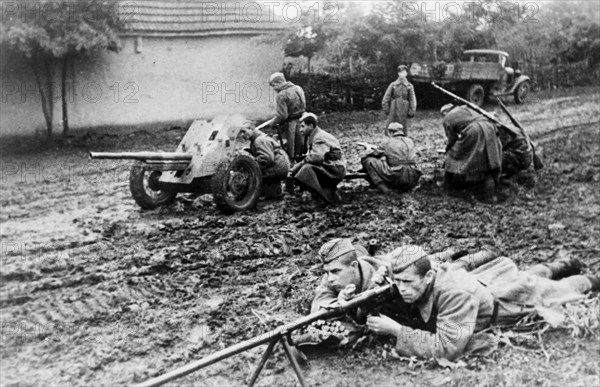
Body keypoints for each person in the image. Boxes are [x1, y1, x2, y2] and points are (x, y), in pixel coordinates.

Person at [366, 246, 597, 361]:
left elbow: (447, 348)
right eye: (398, 282)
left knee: (557, 290)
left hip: (506, 302)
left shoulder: (453, 294)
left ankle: (588, 276)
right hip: (489, 281)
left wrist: (398, 331)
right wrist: (375, 285)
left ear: (427, 277)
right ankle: (564, 263)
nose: (401, 288)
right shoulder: (419, 277)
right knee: (528, 276)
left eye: (406, 282)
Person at [440, 104, 502, 197]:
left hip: (474, 130)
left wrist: (449, 150)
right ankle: (491, 194)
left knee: (453, 154)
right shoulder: (466, 108)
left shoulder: (447, 118)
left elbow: (452, 139)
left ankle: (447, 185)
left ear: (445, 113)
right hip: (490, 127)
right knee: (489, 159)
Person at [290, 113, 346, 205]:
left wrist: (296, 167)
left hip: (336, 168)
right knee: (305, 165)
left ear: (311, 126)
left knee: (306, 168)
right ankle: (323, 191)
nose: (300, 130)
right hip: (331, 165)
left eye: (303, 127)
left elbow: (316, 158)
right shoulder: (315, 135)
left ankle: (323, 196)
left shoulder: (318, 137)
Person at [360, 122, 422, 194]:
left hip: (398, 175)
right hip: (413, 175)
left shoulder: (387, 142)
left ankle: (384, 188)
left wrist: (367, 149)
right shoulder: (410, 141)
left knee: (367, 160)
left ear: (390, 132)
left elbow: (373, 154)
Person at [238, 126, 290, 198]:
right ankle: (273, 191)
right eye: (240, 133)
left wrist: (251, 165)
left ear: (251, 129)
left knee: (250, 178)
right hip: (279, 165)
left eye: (244, 131)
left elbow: (267, 159)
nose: (242, 135)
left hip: (277, 167)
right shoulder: (258, 138)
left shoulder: (259, 140)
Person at [266, 72, 306, 162]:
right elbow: (304, 106)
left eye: (274, 85)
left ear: (280, 82)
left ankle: (290, 165)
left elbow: (282, 116)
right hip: (302, 121)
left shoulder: (281, 95)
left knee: (289, 148)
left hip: (290, 125)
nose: (274, 89)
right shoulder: (298, 88)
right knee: (301, 146)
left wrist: (272, 123)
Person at [382, 65, 417, 136]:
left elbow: (412, 99)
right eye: (400, 72)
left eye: (404, 72)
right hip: (394, 108)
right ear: (398, 73)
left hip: (404, 108)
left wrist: (411, 110)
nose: (402, 74)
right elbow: (386, 98)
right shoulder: (393, 85)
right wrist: (387, 110)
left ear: (407, 73)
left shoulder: (409, 86)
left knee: (402, 127)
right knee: (391, 126)